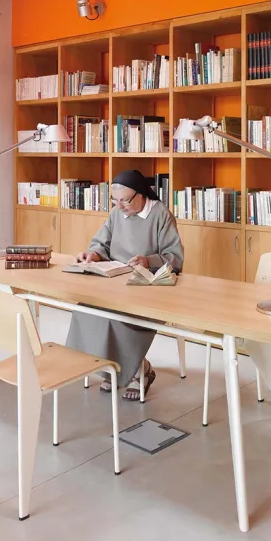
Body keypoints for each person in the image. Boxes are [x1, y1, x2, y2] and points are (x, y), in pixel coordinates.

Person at [66, 169, 184, 401]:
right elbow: (101, 243)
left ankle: (139, 371)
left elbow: (174, 256)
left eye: (124, 201)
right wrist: (93, 255)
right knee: (86, 310)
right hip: (114, 281)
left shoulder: (161, 214)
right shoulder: (116, 213)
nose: (119, 206)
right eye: (115, 201)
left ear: (141, 195)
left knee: (119, 318)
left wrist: (147, 261)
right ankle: (113, 369)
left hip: (145, 285)